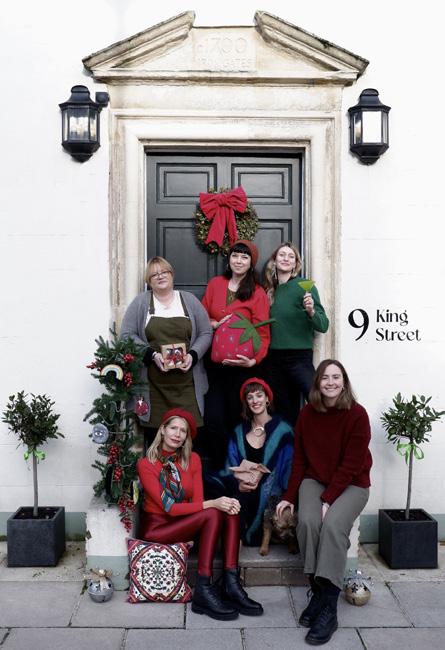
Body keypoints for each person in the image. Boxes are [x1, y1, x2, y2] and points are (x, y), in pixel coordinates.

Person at [276, 360, 372, 645]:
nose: (331, 382)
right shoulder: (307, 414)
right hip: (315, 479)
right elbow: (299, 460)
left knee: (332, 526)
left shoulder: (357, 414)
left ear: (344, 382)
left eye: (336, 377)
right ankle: (317, 593)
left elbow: (352, 464)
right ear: (317, 382)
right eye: (325, 377)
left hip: (352, 483)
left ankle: (329, 607)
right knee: (307, 522)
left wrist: (329, 499)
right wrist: (288, 497)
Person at [137, 408, 264, 620]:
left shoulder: (192, 459)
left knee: (229, 509)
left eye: (183, 431)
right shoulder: (146, 464)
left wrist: (222, 504)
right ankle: (203, 589)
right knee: (213, 511)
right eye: (173, 428)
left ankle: (231, 584)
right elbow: (170, 508)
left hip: (184, 523)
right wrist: (214, 503)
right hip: (158, 529)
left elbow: (197, 502)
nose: (177, 434)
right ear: (163, 430)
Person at [120, 256, 212, 447]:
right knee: (156, 441)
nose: (160, 276)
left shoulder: (189, 300)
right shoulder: (141, 303)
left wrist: (193, 355)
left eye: (164, 272)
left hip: (187, 385)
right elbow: (126, 335)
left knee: (188, 439)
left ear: (172, 275)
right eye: (154, 274)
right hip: (154, 387)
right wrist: (152, 355)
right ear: (149, 280)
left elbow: (206, 332)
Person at [202, 240, 271, 466]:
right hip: (215, 367)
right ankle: (221, 466)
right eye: (235, 255)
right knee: (213, 418)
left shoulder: (257, 293)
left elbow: (263, 334)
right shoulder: (215, 284)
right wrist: (213, 323)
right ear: (229, 259)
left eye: (244, 257)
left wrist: (253, 361)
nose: (238, 261)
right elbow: (202, 316)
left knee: (237, 420)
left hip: (242, 370)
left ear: (251, 263)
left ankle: (239, 469)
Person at [205, 378, 294, 546]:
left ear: (267, 399)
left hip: (272, 493)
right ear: (246, 403)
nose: (255, 400)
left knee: (242, 504)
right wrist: (238, 484)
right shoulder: (239, 432)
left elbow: (289, 468)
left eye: (259, 395)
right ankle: (233, 550)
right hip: (243, 490)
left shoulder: (284, 431)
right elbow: (230, 467)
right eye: (250, 397)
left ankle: (235, 543)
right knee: (221, 491)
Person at [264, 242, 329, 426]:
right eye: (282, 255)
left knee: (318, 401)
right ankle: (290, 444)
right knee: (283, 413)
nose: (286, 259)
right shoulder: (268, 290)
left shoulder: (304, 286)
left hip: (299, 358)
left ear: (295, 264)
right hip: (273, 360)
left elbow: (323, 325)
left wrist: (311, 311)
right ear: (274, 261)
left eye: (291, 256)